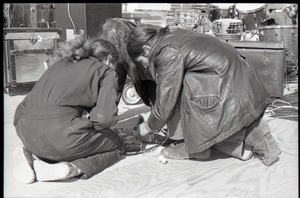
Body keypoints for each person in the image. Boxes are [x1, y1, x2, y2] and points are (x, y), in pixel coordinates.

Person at [126, 24, 281, 166]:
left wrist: (148, 127)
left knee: (174, 88)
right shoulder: (175, 35)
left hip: (229, 90)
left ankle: (198, 148)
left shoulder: (167, 52)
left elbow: (165, 100)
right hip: (242, 86)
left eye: (141, 62)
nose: (145, 67)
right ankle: (256, 133)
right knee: (178, 83)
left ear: (146, 49)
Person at [13, 36, 127, 184]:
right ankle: (72, 167)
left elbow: (24, 107)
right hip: (60, 138)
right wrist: (89, 123)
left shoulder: (59, 64)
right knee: (117, 144)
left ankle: (31, 155)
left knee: (56, 136)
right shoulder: (106, 71)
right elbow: (103, 120)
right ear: (109, 58)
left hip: (25, 132)